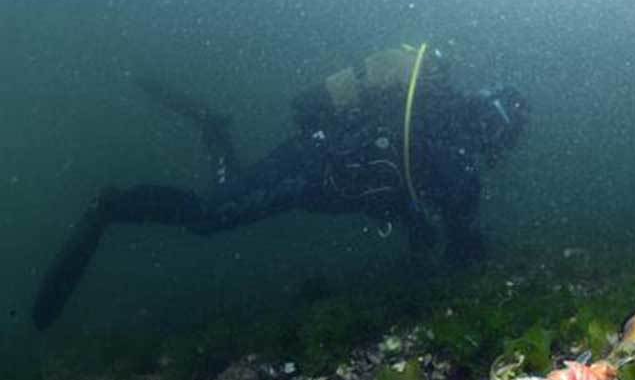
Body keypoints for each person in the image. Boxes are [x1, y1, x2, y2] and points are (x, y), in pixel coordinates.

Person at [31, 44, 528, 330]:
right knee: (209, 216)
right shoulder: (455, 156)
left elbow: (404, 187)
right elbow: (453, 227)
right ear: (494, 128)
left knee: (224, 201)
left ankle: (215, 129)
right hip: (309, 171)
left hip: (312, 159)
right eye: (504, 137)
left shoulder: (436, 123)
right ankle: (112, 206)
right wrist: (461, 244)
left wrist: (420, 227)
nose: (500, 147)